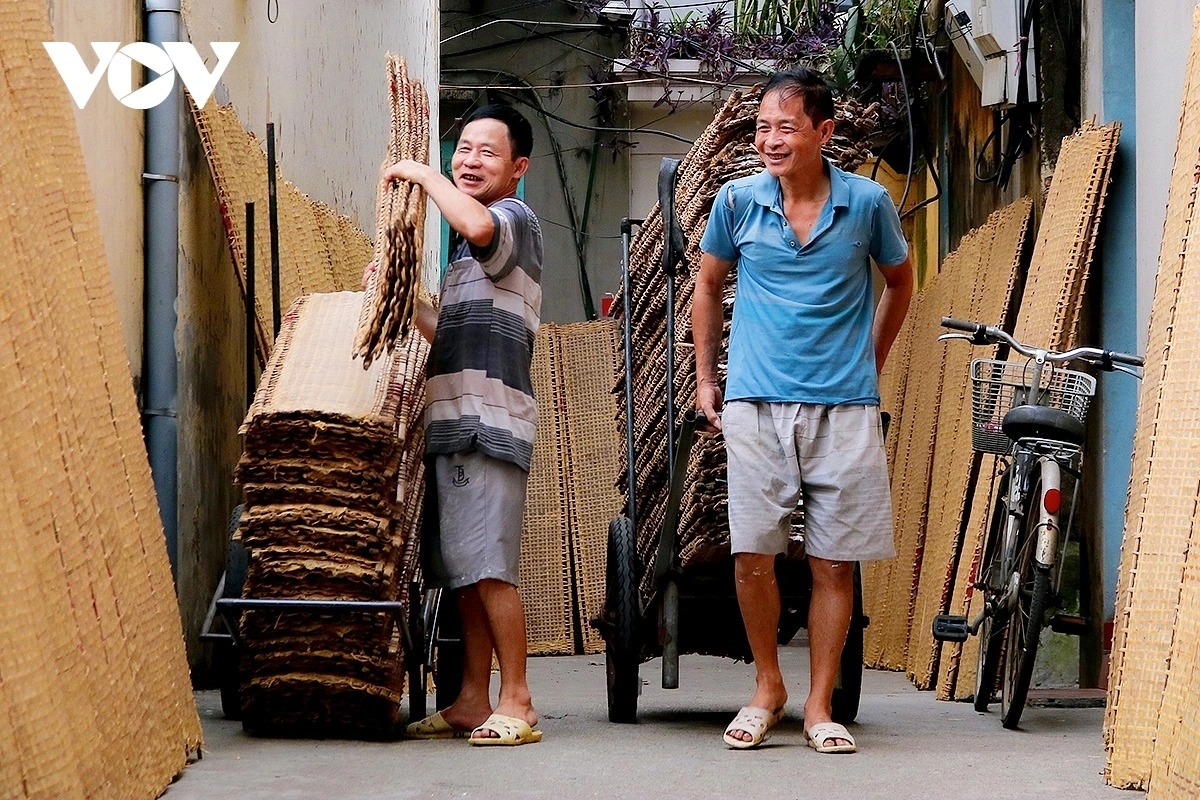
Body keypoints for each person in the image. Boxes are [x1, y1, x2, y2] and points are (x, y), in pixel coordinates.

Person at [692, 67, 913, 753]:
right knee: (754, 555)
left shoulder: (869, 204)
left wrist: (869, 363)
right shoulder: (736, 203)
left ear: (823, 131)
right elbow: (706, 287)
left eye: (786, 126)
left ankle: (819, 707)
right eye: (763, 127)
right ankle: (767, 688)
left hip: (843, 408)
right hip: (755, 403)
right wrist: (707, 379)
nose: (770, 139)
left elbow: (900, 284)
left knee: (833, 563)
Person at [373, 103, 544, 746]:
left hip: (488, 425)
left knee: (492, 567)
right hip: (454, 425)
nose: (469, 161)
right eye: (462, 149)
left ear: (517, 169)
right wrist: (398, 293)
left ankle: (518, 700)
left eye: (486, 153)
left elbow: (472, 219)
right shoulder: (466, 262)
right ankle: (473, 699)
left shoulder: (512, 222)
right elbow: (443, 334)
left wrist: (421, 172)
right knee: (465, 571)